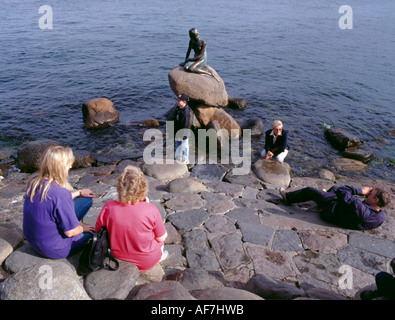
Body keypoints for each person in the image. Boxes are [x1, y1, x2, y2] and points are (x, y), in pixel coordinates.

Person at [23, 145, 95, 259]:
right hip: (55, 249)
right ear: (60, 168)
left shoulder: (34, 182)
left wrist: (79, 193)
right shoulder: (60, 193)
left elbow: (54, 201)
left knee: (85, 199)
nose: (71, 166)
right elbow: (70, 232)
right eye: (68, 165)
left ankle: (69, 222)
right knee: (93, 232)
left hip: (34, 240)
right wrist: (82, 228)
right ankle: (76, 229)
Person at [95, 165, 168, 272]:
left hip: (118, 256)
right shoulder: (151, 209)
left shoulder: (109, 207)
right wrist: (146, 205)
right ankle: (159, 257)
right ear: (143, 188)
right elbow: (161, 238)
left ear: (119, 187)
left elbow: (98, 230)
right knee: (159, 239)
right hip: (147, 261)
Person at [279, 185, 390, 230]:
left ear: (376, 200)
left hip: (330, 211)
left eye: (370, 194)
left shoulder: (359, 208)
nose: (367, 194)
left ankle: (288, 198)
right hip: (343, 214)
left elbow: (343, 190)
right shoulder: (380, 216)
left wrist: (360, 191)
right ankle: (321, 199)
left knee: (309, 191)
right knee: (334, 188)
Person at [173, 93, 192, 164]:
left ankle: (185, 159)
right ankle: (178, 157)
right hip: (177, 130)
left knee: (184, 146)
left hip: (183, 133)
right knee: (177, 145)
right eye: (177, 100)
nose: (177, 102)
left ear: (184, 102)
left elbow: (186, 125)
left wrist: (182, 136)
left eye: (179, 101)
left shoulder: (186, 112)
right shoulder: (179, 108)